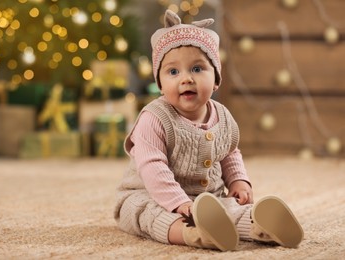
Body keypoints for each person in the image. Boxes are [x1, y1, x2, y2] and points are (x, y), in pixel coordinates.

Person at [114, 9, 303, 251]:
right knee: (148, 215)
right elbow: (152, 167)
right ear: (160, 84)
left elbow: (230, 152)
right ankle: (192, 234)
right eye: (173, 72)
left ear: (216, 80)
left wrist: (238, 181)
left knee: (230, 208)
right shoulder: (154, 118)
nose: (186, 79)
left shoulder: (222, 116)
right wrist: (179, 202)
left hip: (207, 201)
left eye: (197, 69)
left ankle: (260, 227)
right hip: (150, 194)